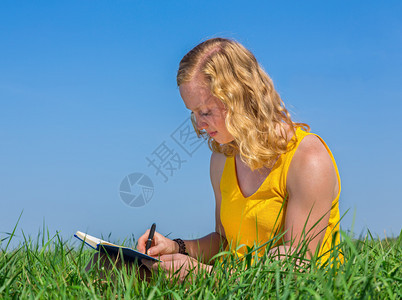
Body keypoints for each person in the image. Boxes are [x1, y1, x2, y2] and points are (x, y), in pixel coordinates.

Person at [137, 38, 342, 281]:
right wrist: (177, 247)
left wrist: (205, 277)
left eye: (205, 112)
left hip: (300, 291)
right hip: (232, 285)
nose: (199, 126)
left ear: (240, 97)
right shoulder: (222, 159)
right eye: (193, 113)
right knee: (111, 264)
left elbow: (297, 264)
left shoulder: (307, 158)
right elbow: (224, 242)